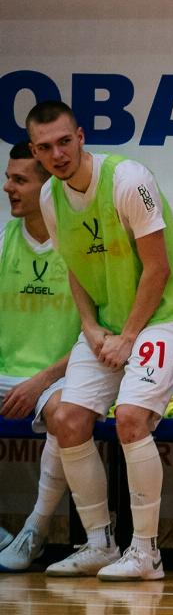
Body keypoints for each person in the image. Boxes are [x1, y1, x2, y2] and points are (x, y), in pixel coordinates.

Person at [27, 100, 173, 582]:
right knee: (67, 419)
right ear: (35, 152)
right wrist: (89, 327)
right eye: (45, 147)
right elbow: (76, 269)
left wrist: (128, 337)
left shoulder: (129, 180)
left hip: (165, 313)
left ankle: (146, 553)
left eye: (64, 142)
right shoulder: (49, 198)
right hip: (109, 321)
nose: (58, 154)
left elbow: (158, 267)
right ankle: (98, 544)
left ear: (81, 137)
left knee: (130, 419)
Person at [0, 141, 80, 571]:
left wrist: (40, 381)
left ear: (47, 187)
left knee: (65, 414)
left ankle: (36, 529)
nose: (7, 188)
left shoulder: (79, 246)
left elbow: (98, 335)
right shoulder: (3, 242)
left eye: (19, 180)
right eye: (7, 178)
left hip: (62, 376)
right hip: (5, 374)